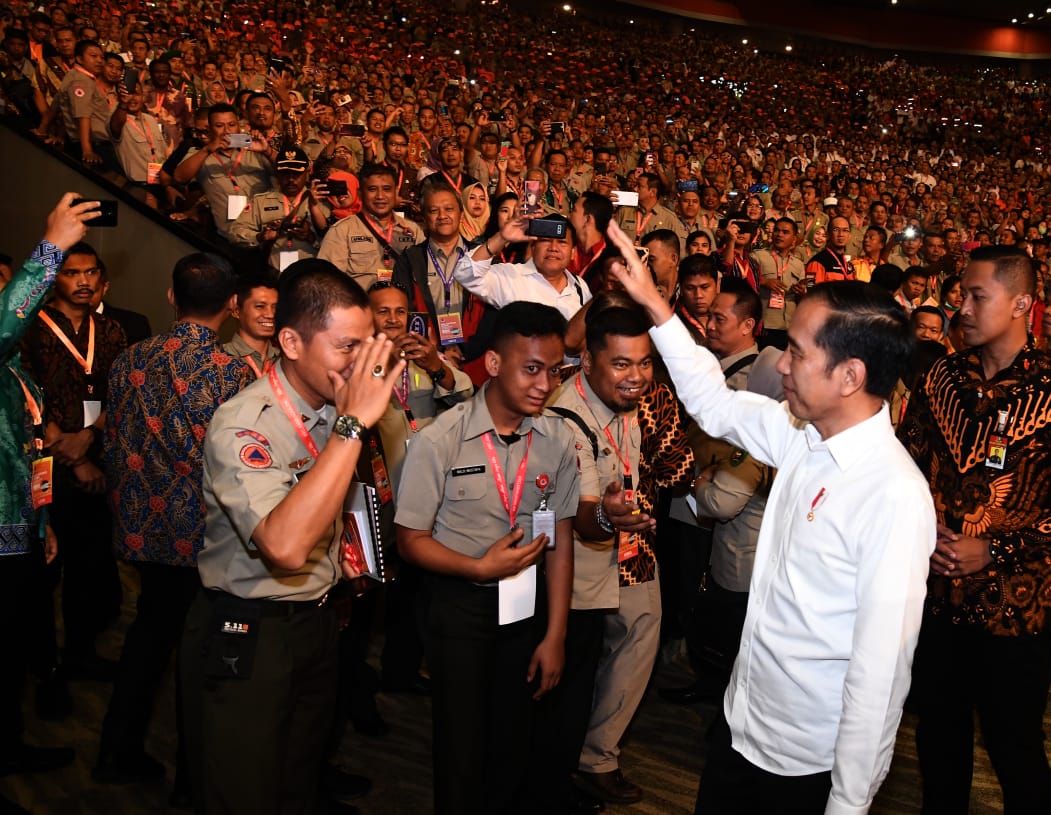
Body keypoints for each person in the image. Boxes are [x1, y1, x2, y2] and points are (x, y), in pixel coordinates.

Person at [605, 219, 936, 814]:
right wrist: (653, 300)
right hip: (743, 724)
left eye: (799, 353)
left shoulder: (893, 496)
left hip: (807, 762)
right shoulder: (799, 434)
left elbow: (880, 672)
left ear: (850, 376)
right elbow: (711, 399)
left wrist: (849, 803)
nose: (780, 365)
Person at [181, 259, 405, 815]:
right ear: (291, 341)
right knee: (244, 791)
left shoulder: (331, 407)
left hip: (318, 620)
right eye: (345, 347)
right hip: (252, 631)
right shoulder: (246, 424)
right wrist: (355, 425)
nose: (358, 366)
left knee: (298, 783)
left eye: (366, 347)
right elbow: (283, 545)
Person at [395, 301, 579, 815]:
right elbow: (410, 539)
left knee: (513, 737)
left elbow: (559, 539)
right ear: (494, 365)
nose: (545, 384)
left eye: (554, 370)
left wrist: (556, 635)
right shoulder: (439, 441)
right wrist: (479, 568)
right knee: (461, 743)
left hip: (524, 608)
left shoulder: (558, 440)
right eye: (532, 369)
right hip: (459, 606)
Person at [898, 246, 1051, 814]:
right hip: (938, 601)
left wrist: (995, 548)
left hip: (1016, 611)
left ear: (1021, 304)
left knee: (1016, 752)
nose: (961, 307)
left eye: (976, 296)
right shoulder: (940, 377)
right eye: (960, 294)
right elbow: (905, 464)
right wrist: (925, 528)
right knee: (938, 741)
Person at [96, 253, 251, 802]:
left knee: (147, 638)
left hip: (140, 528)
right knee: (199, 655)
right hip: (204, 536)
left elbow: (112, 441)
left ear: (170, 296)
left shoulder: (128, 358)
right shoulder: (233, 373)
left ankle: (116, 751)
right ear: (234, 306)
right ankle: (194, 778)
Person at [538, 295, 658, 810]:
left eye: (645, 362)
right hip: (576, 572)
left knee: (637, 635)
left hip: (623, 556)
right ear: (587, 360)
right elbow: (587, 517)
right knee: (565, 685)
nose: (637, 376)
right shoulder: (567, 421)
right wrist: (613, 517)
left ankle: (589, 761)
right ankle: (558, 780)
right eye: (622, 363)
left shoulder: (624, 402)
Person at [0, 194, 98, 812]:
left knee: (10, 648)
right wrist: (52, 246)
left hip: (18, 524)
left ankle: (9, 750)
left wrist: (41, 519)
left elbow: (30, 439)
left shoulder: (11, 367)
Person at [20, 241, 127, 678]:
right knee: (42, 572)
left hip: (98, 461)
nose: (82, 281)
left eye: (89, 273)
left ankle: (81, 655)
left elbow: (121, 392)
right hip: (45, 464)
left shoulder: (113, 331)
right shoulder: (32, 328)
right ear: (54, 278)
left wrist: (89, 439)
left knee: (89, 568)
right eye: (71, 273)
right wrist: (67, 448)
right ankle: (41, 669)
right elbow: (26, 392)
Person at [318, 163, 424, 290]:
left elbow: (426, 274)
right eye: (372, 189)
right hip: (362, 306)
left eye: (386, 189)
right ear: (361, 193)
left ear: (396, 192)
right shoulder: (342, 231)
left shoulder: (413, 230)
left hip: (403, 307)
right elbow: (327, 281)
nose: (380, 196)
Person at [224, 271, 281, 378]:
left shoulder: (285, 360)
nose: (270, 314)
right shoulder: (221, 358)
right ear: (236, 311)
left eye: (275, 307)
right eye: (260, 306)